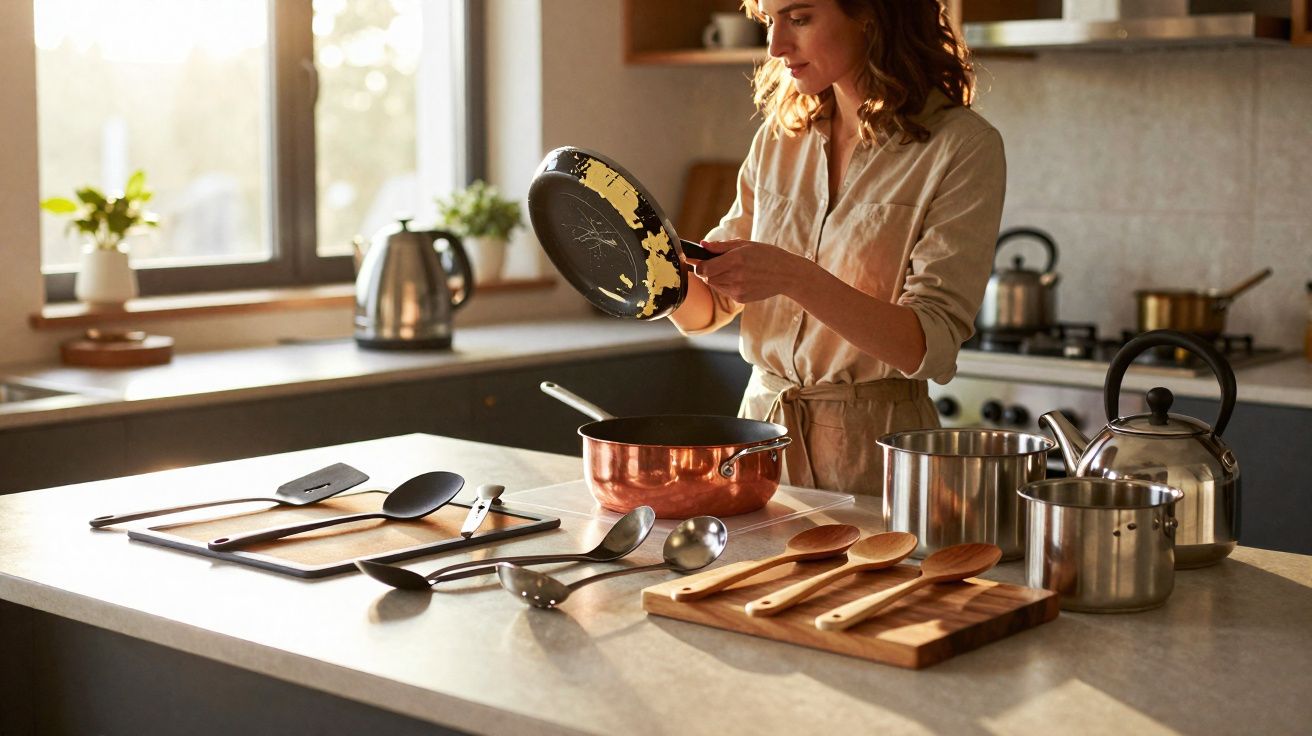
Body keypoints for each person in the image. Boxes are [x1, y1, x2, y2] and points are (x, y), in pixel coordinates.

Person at [671, 0, 1005, 495]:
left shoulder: (961, 147)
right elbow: (712, 307)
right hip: (758, 443)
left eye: (799, 19)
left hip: (874, 452)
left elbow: (928, 345)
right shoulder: (780, 138)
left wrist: (793, 276)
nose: (775, 46)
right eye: (769, 21)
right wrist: (659, 275)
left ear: (871, 14)